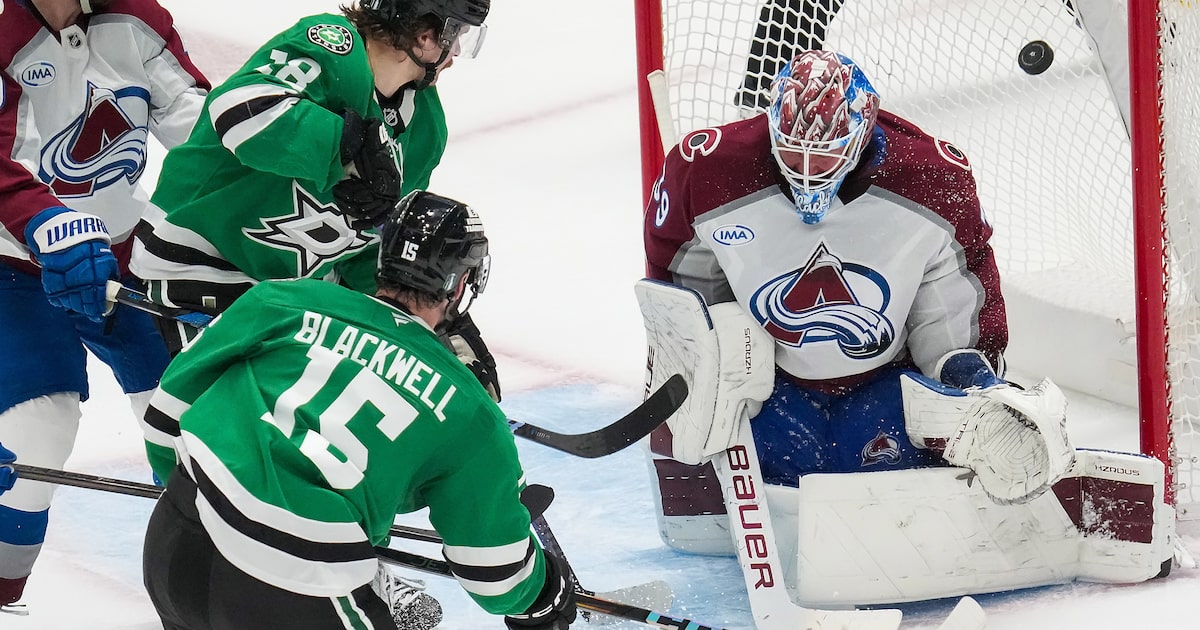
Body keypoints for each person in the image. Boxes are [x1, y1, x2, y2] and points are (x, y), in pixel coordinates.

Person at [640, 50, 1175, 605]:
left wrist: (972, 382)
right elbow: (679, 282)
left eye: (823, 158)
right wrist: (700, 366)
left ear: (862, 132)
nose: (804, 170)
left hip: (882, 390)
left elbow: (951, 304)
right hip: (773, 390)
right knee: (747, 438)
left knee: (949, 431)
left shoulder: (929, 180)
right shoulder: (705, 172)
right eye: (790, 151)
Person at [139, 190, 577, 630]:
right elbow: (496, 576)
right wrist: (542, 596)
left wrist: (195, 499)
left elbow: (164, 418)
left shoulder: (280, 300)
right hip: (294, 587)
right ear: (460, 284)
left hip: (174, 544)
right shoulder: (470, 410)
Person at [0, 0, 208, 612]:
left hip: (124, 255)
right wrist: (44, 222)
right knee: (37, 432)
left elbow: (202, 128)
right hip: (12, 266)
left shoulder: (137, 16)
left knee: (190, 421)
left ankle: (209, 585)